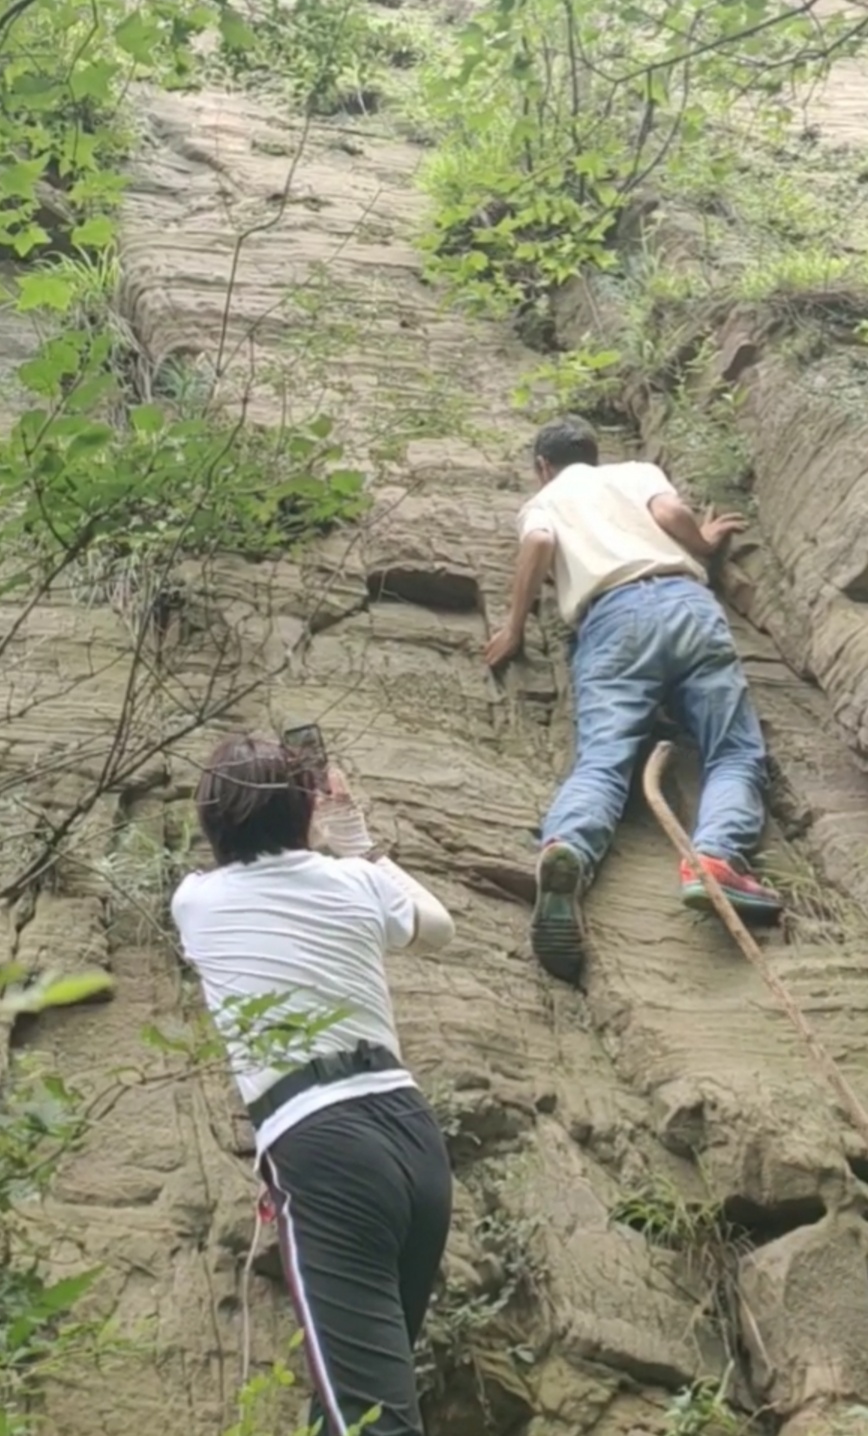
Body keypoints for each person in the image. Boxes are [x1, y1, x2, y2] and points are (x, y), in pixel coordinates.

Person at [171, 732, 455, 1436]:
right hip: (413, 1137)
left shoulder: (196, 901)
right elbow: (439, 928)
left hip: (323, 1147)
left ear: (213, 820)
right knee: (358, 1403)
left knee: (369, 1415)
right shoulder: (355, 881)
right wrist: (353, 836)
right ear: (306, 813)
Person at [484, 415, 781, 985]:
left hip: (611, 622)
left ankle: (567, 847)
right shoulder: (634, 471)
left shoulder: (545, 500)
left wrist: (514, 627)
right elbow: (670, 515)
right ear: (593, 454)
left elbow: (541, 543)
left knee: (603, 759)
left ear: (543, 467)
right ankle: (715, 858)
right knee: (734, 752)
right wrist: (706, 540)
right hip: (683, 601)